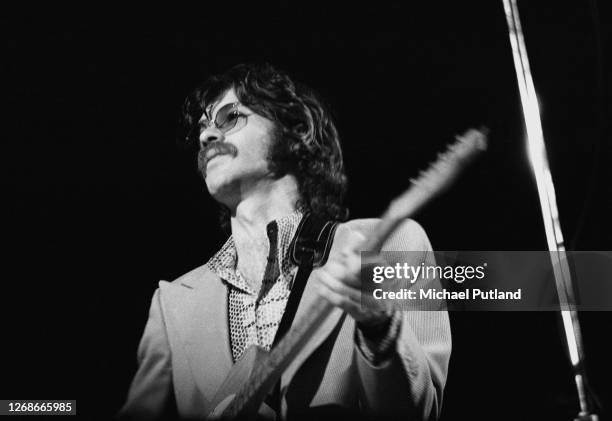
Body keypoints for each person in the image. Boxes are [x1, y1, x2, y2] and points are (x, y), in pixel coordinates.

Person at [120, 63, 451, 420]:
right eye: (203, 126)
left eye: (229, 117)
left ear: (294, 132)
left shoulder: (390, 243)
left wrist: (381, 328)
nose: (206, 136)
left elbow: (420, 412)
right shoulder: (172, 305)